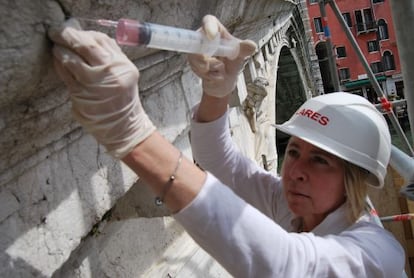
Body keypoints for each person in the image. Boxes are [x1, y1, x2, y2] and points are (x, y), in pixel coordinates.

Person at [48, 15, 405, 277]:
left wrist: (133, 133)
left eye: (320, 161)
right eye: (293, 151)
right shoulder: (295, 205)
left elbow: (289, 266)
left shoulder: (378, 254)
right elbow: (224, 164)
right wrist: (217, 92)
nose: (295, 171)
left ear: (353, 181)